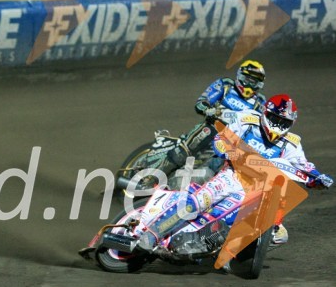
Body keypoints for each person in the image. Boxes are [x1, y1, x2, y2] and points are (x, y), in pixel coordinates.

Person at [135, 94, 332, 252]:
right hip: (231, 176)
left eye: (284, 123)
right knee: (200, 200)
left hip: (255, 190)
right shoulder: (247, 120)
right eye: (275, 119)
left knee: (272, 233)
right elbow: (221, 138)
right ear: (266, 113)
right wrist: (228, 150)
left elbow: (304, 166)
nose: (278, 126)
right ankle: (153, 233)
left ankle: (227, 254)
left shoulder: (291, 143)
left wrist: (318, 178)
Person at [161, 60, 267, 176]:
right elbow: (201, 102)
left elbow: (264, 128)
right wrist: (208, 110)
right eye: (247, 80)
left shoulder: (260, 103)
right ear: (240, 76)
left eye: (254, 82)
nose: (250, 85)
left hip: (232, 142)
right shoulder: (226, 85)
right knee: (201, 136)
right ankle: (154, 177)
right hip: (212, 128)